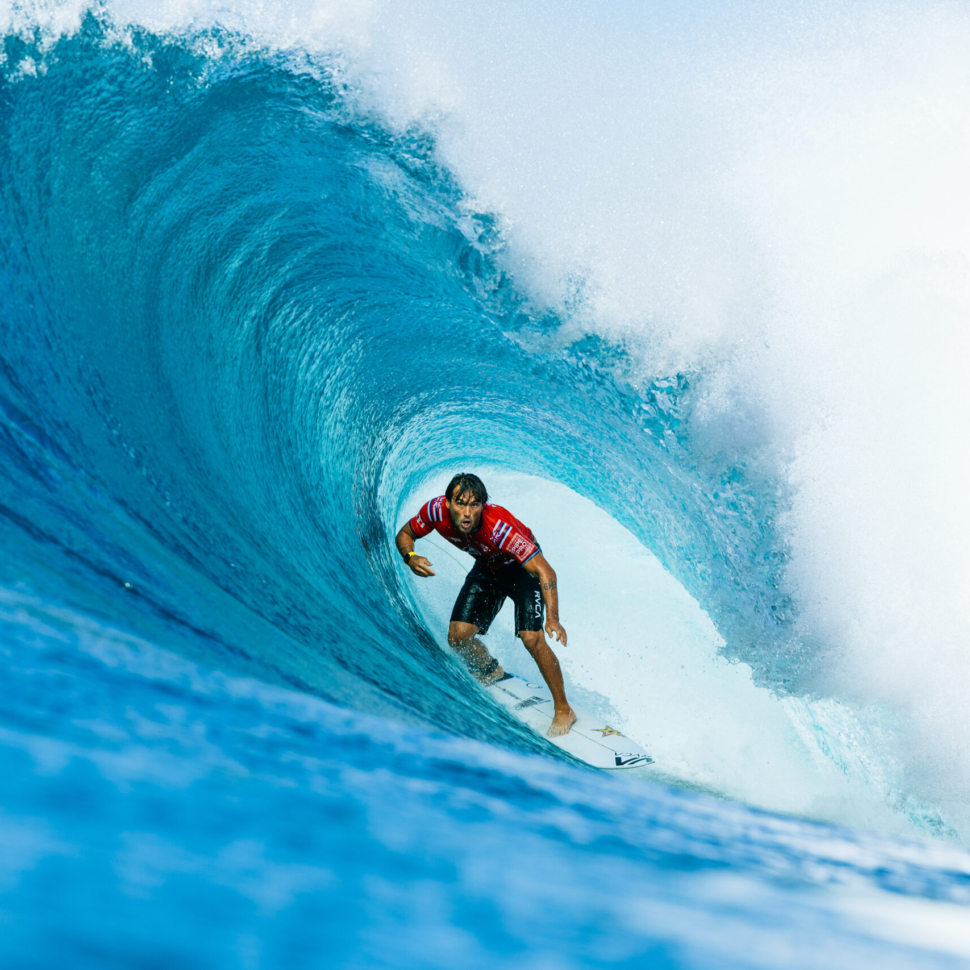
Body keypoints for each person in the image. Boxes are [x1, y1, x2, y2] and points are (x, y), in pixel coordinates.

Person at [396, 472, 577, 737]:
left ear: (483, 505)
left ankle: (564, 708)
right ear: (447, 503)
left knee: (532, 639)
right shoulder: (435, 512)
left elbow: (546, 572)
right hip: (487, 567)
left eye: (475, 505)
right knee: (457, 638)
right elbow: (405, 533)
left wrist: (553, 619)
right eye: (460, 503)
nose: (467, 512)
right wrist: (410, 556)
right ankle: (491, 671)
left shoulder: (500, 528)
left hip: (520, 570)